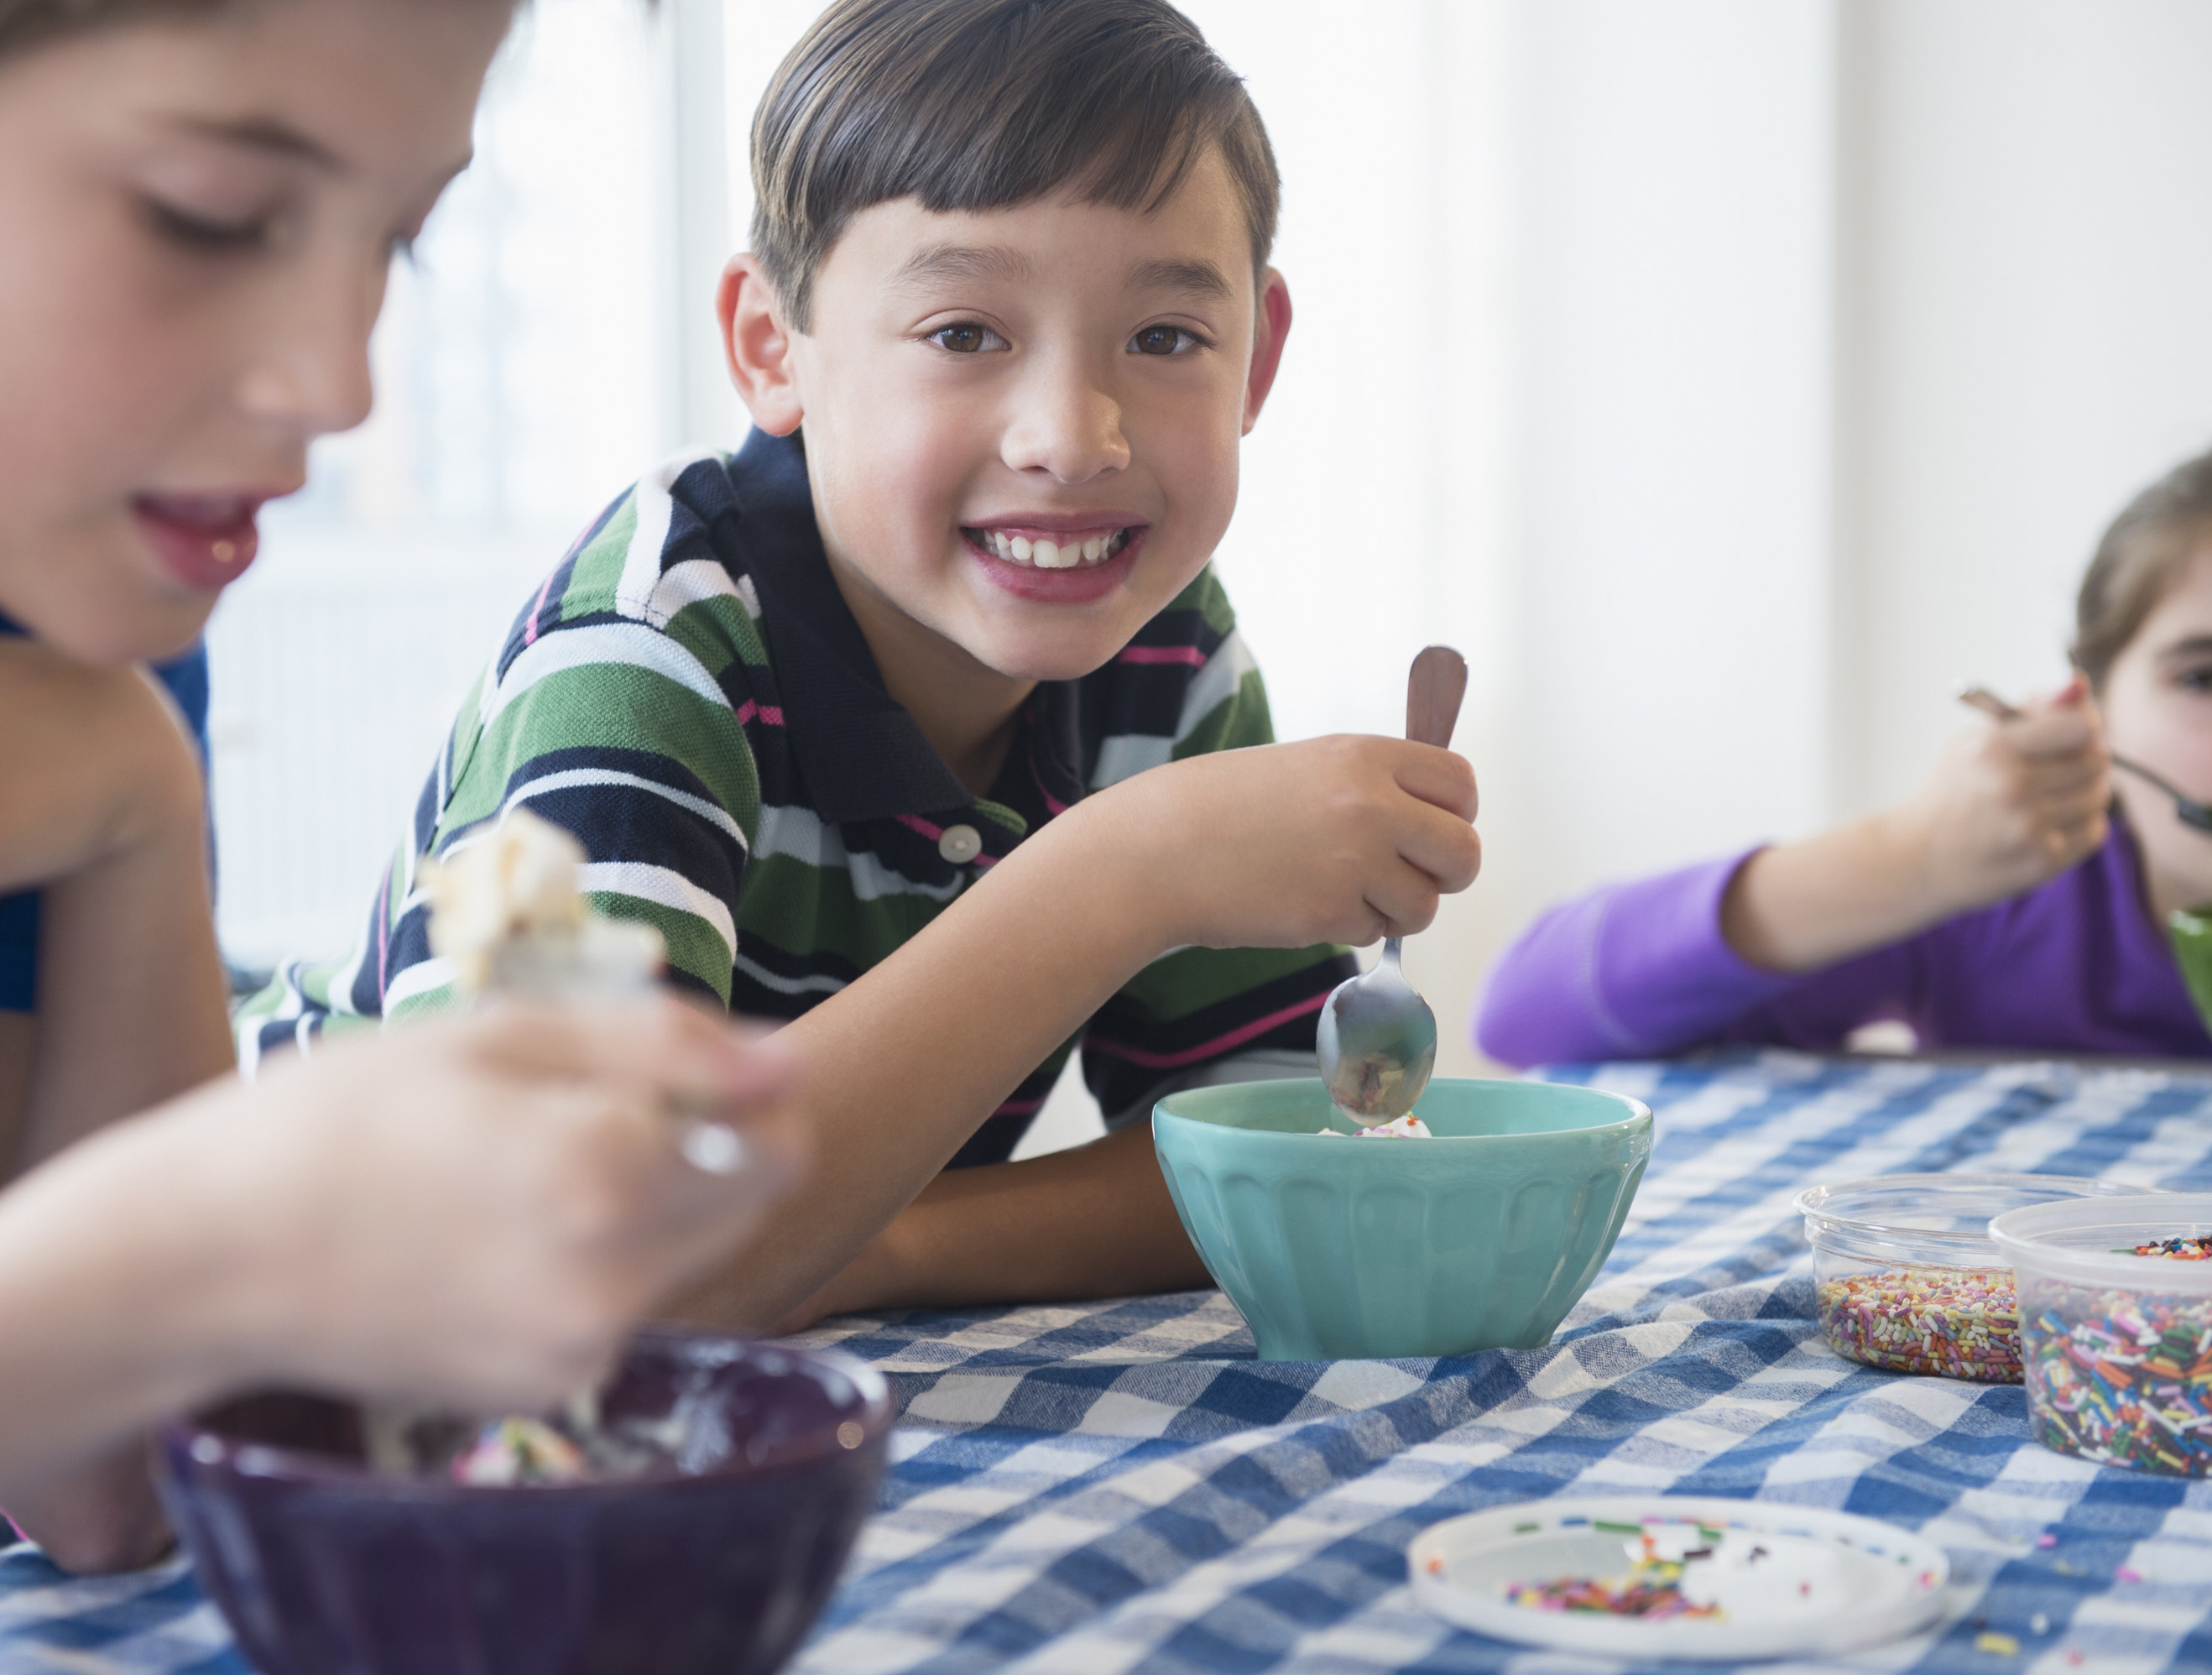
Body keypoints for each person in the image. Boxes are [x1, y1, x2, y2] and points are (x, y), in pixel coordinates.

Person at [243, 0, 1484, 1332]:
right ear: (772, 347)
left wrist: (871, 1247)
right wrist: (1128, 871)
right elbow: (570, 1245)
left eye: (1167, 337)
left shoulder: (1162, 646)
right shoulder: (647, 649)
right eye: (964, 333)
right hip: (289, 1355)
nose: (1073, 438)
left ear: (1261, 357)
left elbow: (1272, 1159)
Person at [0, 0, 801, 1622]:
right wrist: (204, 1235)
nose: (341, 388)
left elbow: (110, 1491)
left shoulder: (69, 623)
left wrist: (132, 787)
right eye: (210, 215)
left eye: (396, 241)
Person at [1476, 444, 2212, 1067]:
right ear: (2090, 708)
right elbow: (1524, 1014)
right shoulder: (2001, 905)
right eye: (2208, 676)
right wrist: (1911, 858)